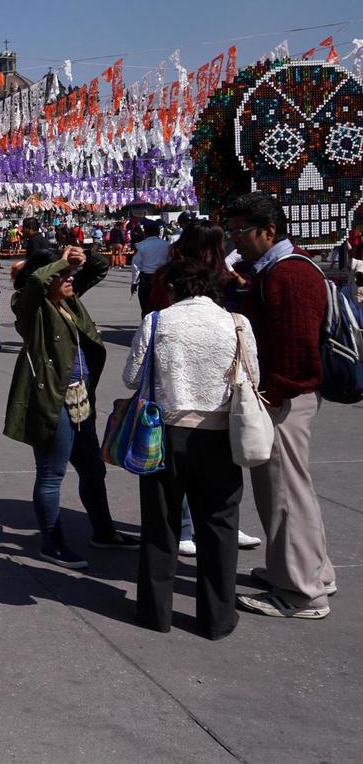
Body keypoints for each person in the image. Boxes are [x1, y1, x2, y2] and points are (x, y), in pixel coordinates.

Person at [123, 252, 258, 639]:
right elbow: (253, 376)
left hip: (165, 432)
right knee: (219, 524)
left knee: (160, 522)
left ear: (173, 287)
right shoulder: (237, 324)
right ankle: (217, 618)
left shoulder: (158, 320)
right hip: (218, 434)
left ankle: (155, 612)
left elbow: (132, 377)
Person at [225, 192, 336, 619]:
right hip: (285, 395)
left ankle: (300, 593)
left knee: (284, 494)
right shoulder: (275, 270)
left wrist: (272, 393)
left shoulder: (288, 275)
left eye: (241, 232)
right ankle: (312, 572)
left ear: (268, 231)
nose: (237, 241)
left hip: (285, 397)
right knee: (293, 492)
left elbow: (295, 345)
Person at [4, 245, 138, 569]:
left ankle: (104, 532)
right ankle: (52, 542)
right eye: (62, 275)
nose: (69, 279)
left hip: (82, 399)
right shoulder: (30, 307)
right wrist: (62, 262)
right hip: (53, 400)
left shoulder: (68, 299)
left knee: (93, 468)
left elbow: (100, 267)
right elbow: (35, 283)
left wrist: (82, 256)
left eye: (69, 274)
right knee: (51, 475)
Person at [131, 222, 171, 314]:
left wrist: (134, 283)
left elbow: (136, 265)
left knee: (146, 308)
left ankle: (147, 325)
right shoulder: (167, 245)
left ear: (145, 232)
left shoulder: (140, 246)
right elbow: (170, 262)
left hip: (147, 279)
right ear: (158, 232)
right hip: (163, 279)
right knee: (162, 307)